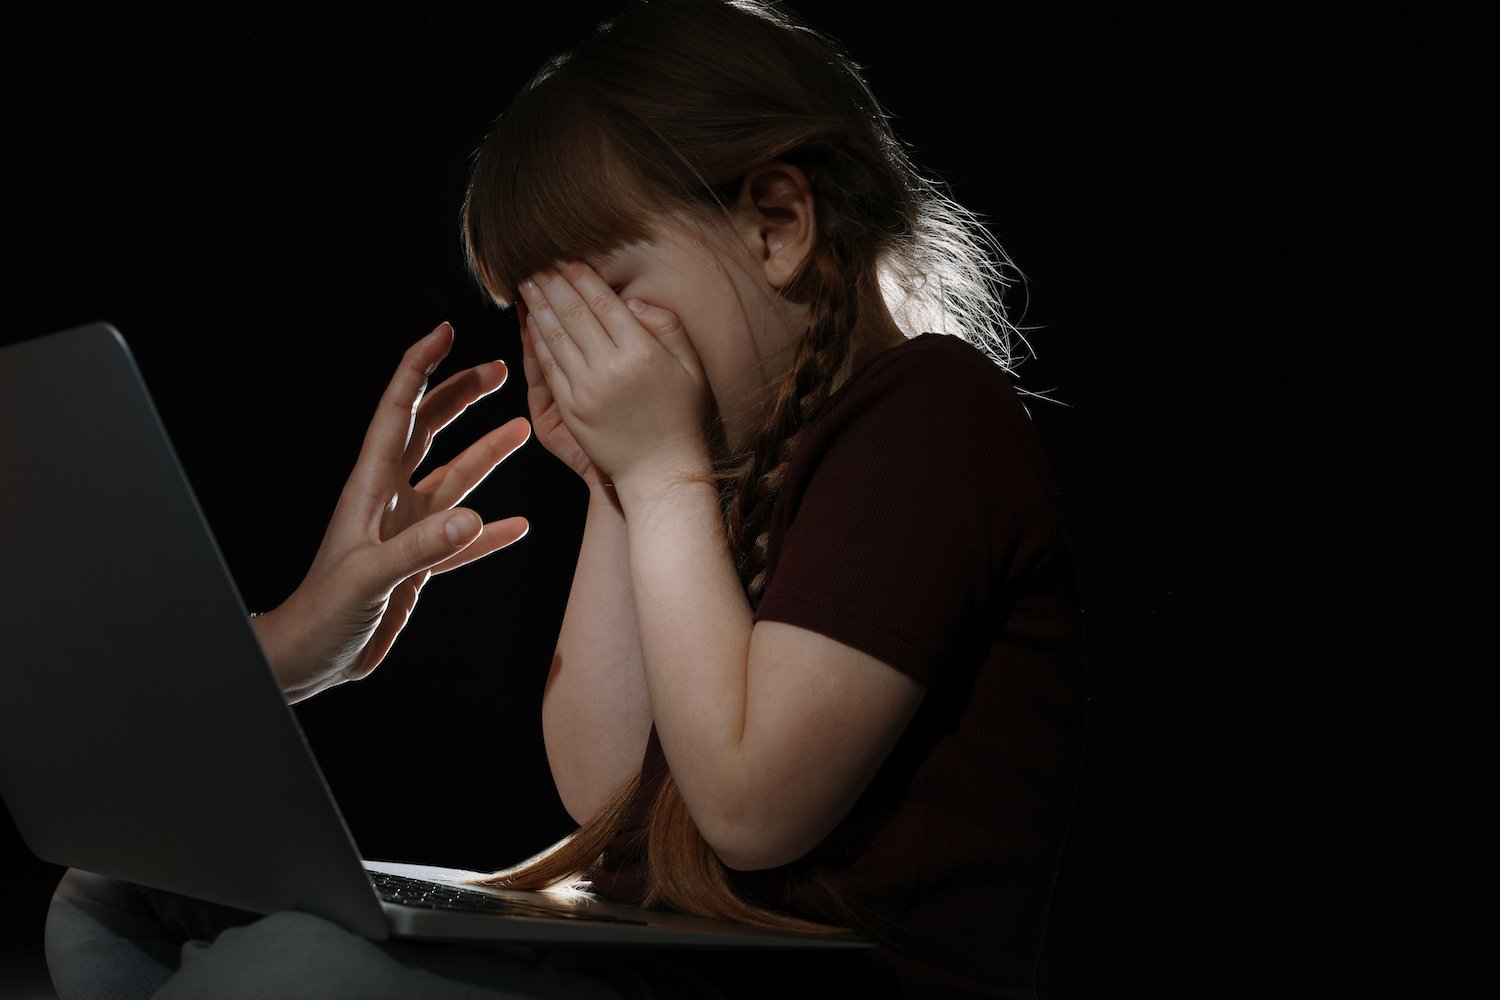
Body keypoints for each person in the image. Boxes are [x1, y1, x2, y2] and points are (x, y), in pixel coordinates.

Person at [44, 1, 1087, 997]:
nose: (588, 359)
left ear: (775, 224)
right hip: (660, 961)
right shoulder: (712, 462)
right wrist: (615, 488)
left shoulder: (929, 413)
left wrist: (658, 471)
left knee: (279, 977)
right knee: (113, 898)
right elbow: (602, 790)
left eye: (614, 296)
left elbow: (751, 808)